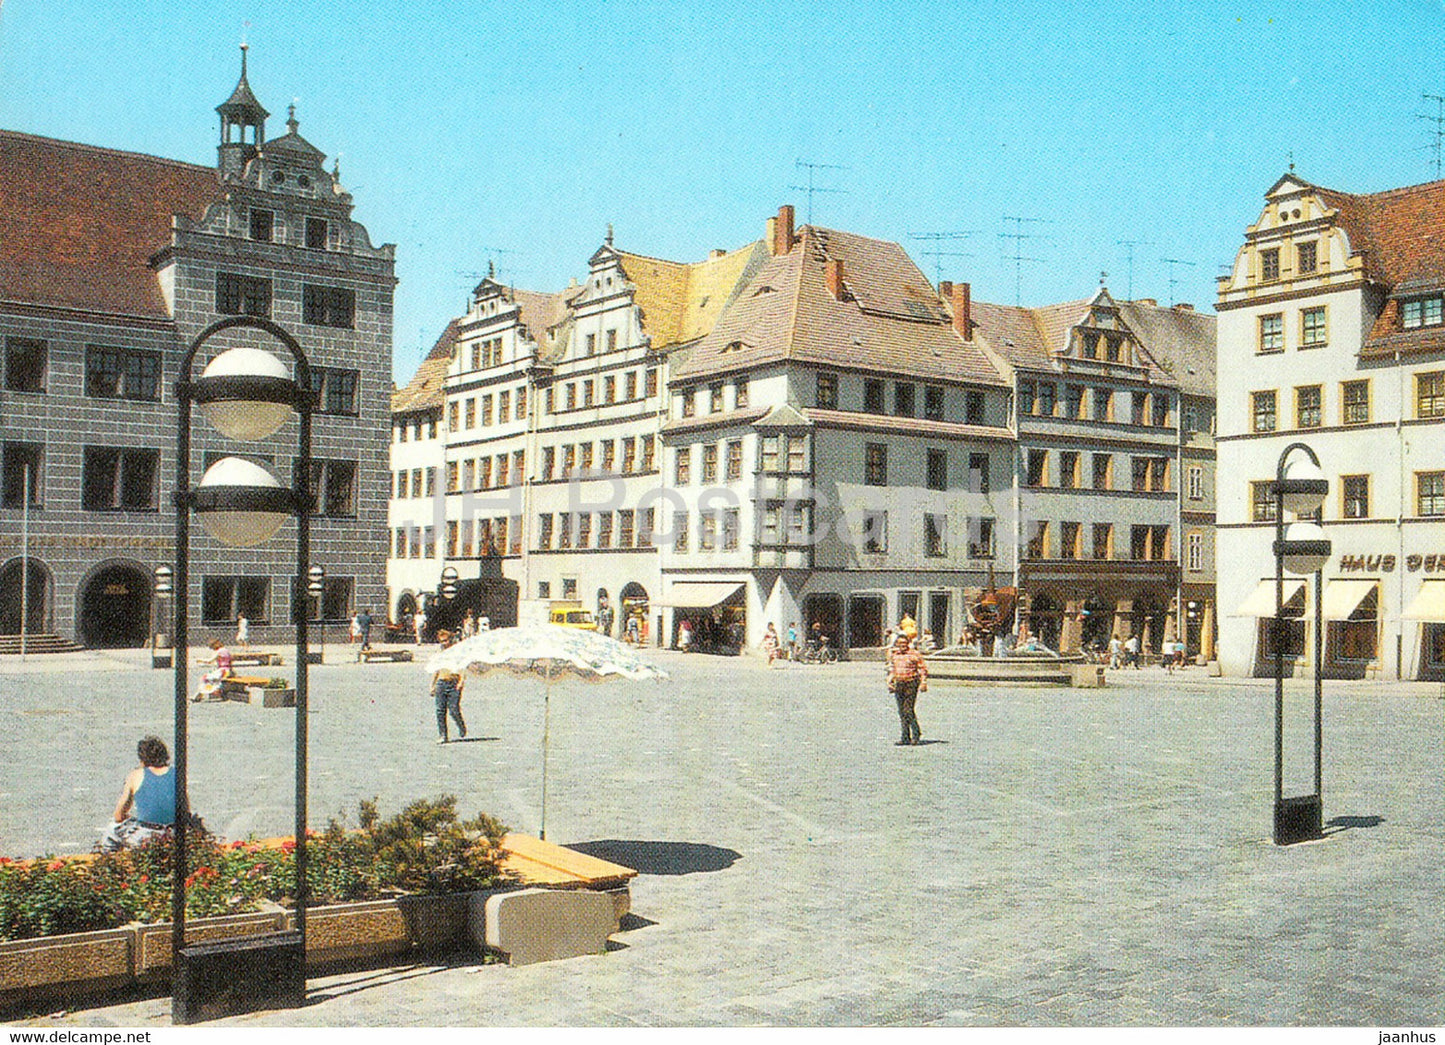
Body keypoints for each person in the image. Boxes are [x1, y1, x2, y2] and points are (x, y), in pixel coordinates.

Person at [100, 736, 176, 852]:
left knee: (112, 828)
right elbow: (185, 810)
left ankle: (109, 861)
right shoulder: (176, 773)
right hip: (174, 834)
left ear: (142, 758)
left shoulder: (136, 775)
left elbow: (118, 815)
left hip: (147, 836)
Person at [885, 631, 929, 746]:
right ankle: (905, 737)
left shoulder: (915, 654)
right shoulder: (895, 655)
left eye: (904, 643)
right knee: (901, 711)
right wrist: (889, 682)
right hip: (899, 683)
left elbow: (923, 669)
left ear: (908, 643)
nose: (902, 645)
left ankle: (916, 733)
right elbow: (892, 670)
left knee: (908, 710)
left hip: (911, 683)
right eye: (900, 643)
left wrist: (923, 682)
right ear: (897, 644)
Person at [430, 630, 466, 744]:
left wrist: (461, 681)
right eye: (442, 641)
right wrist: (432, 685)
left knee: (454, 709)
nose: (444, 643)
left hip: (453, 683)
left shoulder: (457, 653)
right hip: (441, 683)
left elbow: (462, 668)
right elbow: (436, 670)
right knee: (440, 711)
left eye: (446, 640)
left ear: (450, 640)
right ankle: (443, 735)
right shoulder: (440, 655)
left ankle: (461, 725)